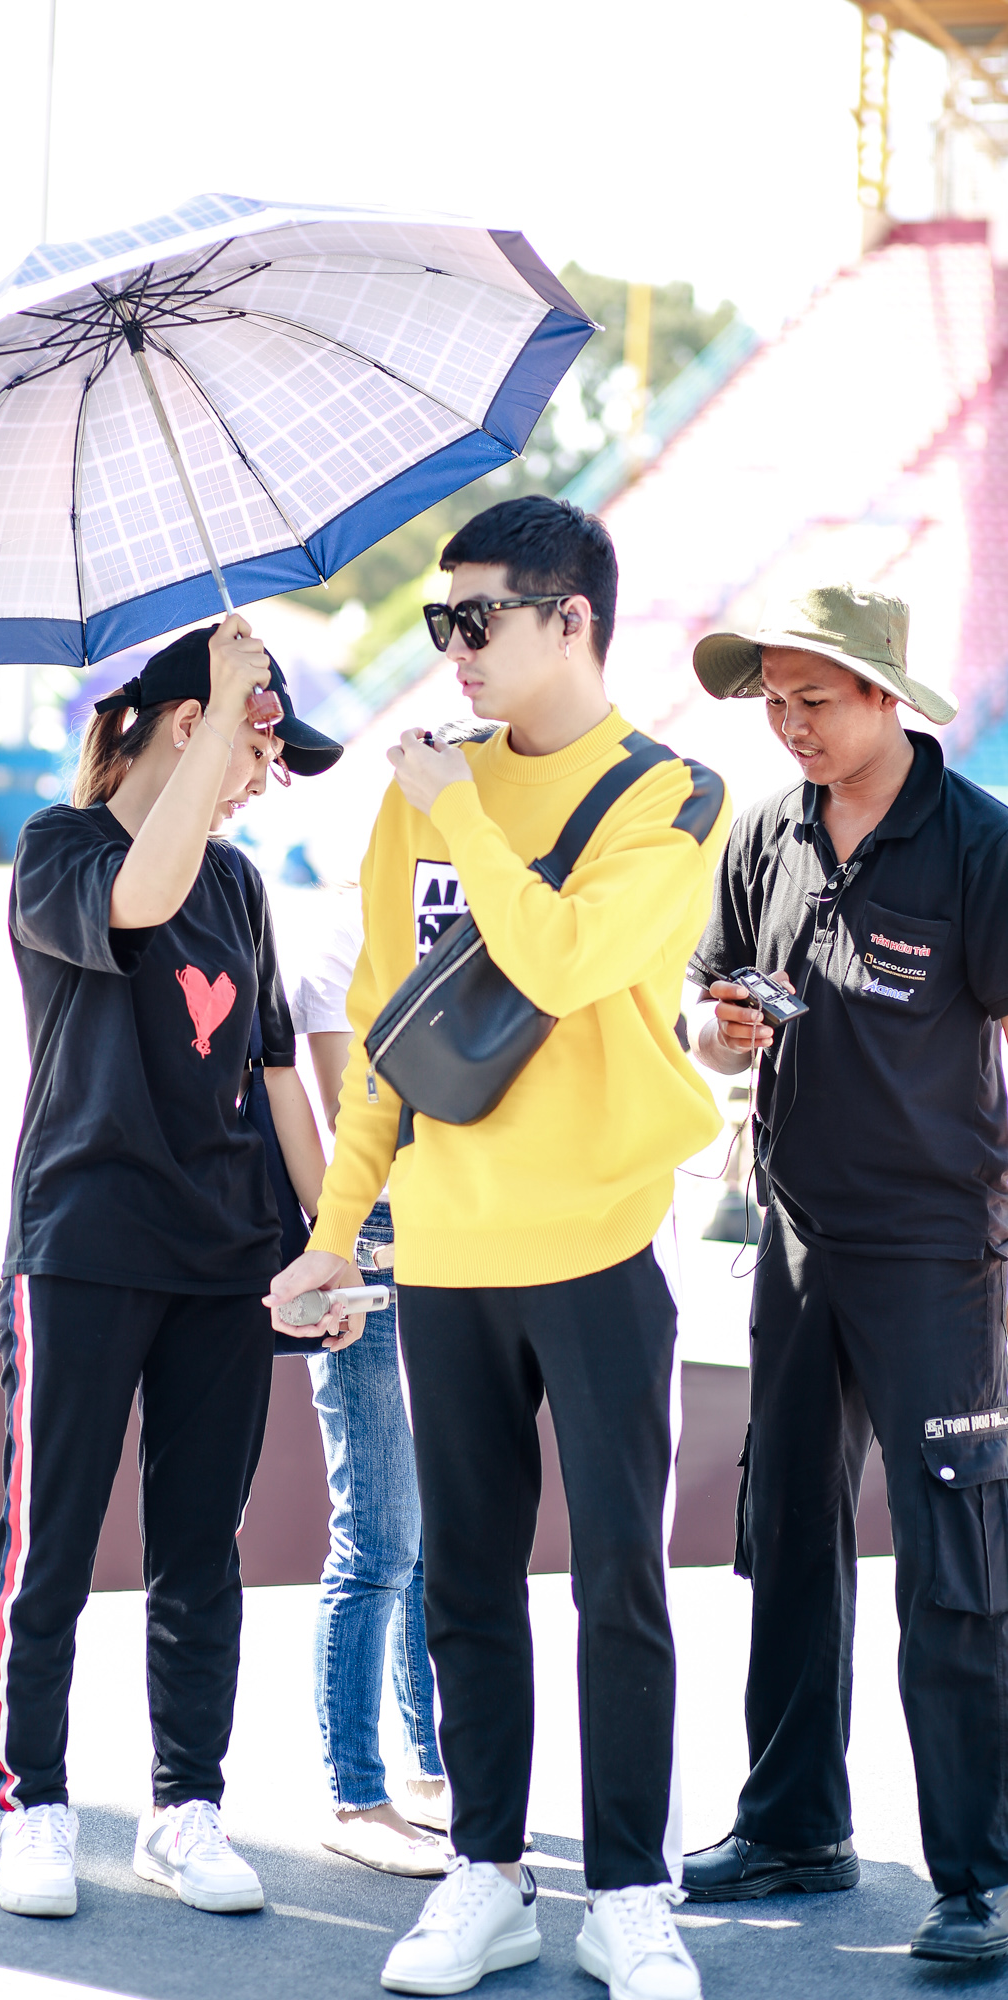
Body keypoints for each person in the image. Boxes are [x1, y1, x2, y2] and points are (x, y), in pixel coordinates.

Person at [267, 494, 731, 2000]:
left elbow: (567, 957)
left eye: (477, 618)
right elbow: (387, 1039)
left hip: (602, 1240)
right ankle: (485, 1873)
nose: (452, 647)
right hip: (447, 1249)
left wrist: (461, 809)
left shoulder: (672, 794)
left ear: (570, 620)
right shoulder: (418, 796)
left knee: (619, 1581)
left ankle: (630, 1891)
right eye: (439, 621)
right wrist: (335, 1232)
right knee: (464, 1579)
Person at [0, 615, 344, 1923]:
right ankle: (34, 1802)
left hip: (224, 1259)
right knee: (53, 1545)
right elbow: (137, 899)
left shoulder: (240, 887)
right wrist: (227, 694)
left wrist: (329, 1238)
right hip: (82, 1247)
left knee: (201, 1550)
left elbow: (273, 1076)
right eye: (255, 748)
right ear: (189, 727)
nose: (263, 780)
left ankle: (185, 1807)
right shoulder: (60, 849)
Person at [681, 585, 1008, 1964]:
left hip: (937, 1250)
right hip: (795, 1237)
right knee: (789, 1533)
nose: (789, 724)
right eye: (772, 701)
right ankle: (791, 1825)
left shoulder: (979, 839)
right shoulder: (765, 828)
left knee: (955, 1558)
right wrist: (724, 1031)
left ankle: (980, 1875)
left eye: (812, 698)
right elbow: (706, 1015)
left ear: (886, 695)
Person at [291, 902, 449, 1877]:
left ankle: (432, 1770)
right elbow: (352, 1124)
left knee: (436, 1531)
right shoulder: (345, 930)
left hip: (469, 1232)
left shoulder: (490, 897)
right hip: (373, 1237)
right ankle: (355, 1791)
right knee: (380, 1535)